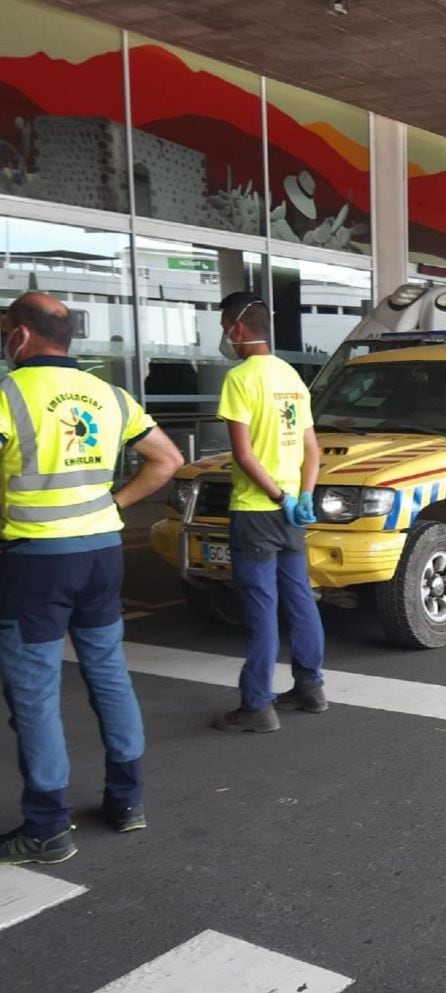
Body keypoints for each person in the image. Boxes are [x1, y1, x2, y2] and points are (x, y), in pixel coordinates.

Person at [0, 292, 183, 865]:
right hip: (102, 554)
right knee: (108, 674)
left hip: (34, 564)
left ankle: (48, 826)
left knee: (35, 692)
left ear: (21, 335)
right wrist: (115, 503)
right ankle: (127, 803)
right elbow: (167, 459)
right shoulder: (111, 395)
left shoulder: (7, 395)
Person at [211, 291, 326, 733]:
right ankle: (310, 687)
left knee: (261, 608)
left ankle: (257, 705)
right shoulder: (292, 378)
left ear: (238, 328)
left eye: (224, 327)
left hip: (258, 510)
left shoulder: (240, 379)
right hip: (292, 511)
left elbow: (242, 455)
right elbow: (311, 450)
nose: (224, 336)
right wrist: (303, 497)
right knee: (299, 598)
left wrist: (279, 497)